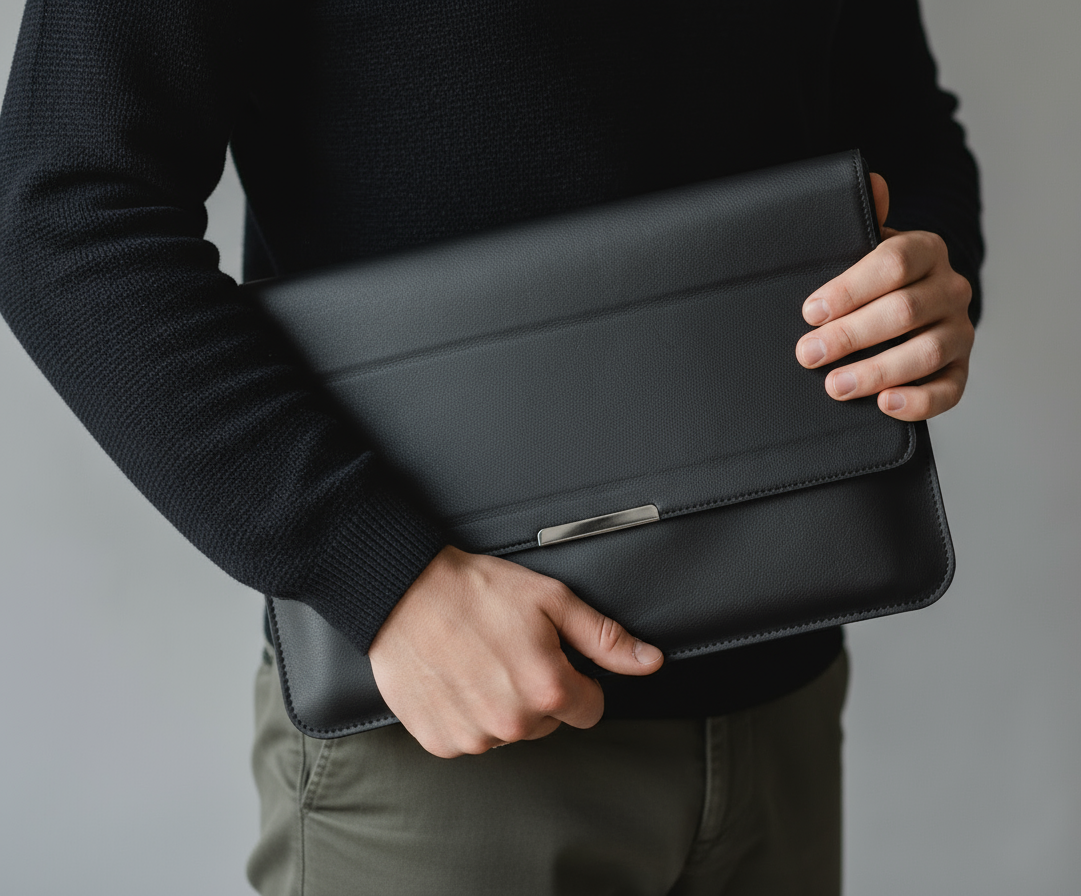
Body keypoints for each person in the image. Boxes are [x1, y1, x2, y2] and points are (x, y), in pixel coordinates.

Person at [0, 1, 981, 893]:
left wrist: (929, 281)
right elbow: (64, 214)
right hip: (445, 744)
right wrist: (385, 577)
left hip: (787, 695)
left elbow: (896, 114)